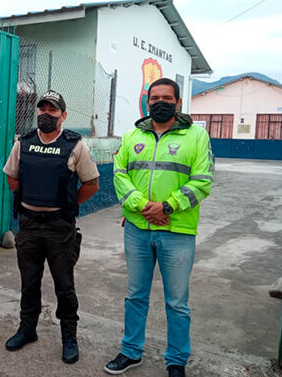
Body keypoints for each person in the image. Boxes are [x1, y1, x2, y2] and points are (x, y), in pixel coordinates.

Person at [105, 78, 213, 377]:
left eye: (167, 97)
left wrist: (167, 207)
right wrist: (143, 206)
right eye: (155, 98)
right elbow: (119, 174)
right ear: (147, 101)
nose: (160, 102)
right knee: (135, 295)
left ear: (178, 103)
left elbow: (202, 181)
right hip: (138, 229)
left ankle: (176, 360)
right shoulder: (131, 136)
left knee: (177, 301)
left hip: (177, 231)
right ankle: (131, 351)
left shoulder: (196, 137)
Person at [3, 90, 100, 364]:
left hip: (60, 227)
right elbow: (12, 178)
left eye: (52, 110)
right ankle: (27, 329)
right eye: (42, 109)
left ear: (63, 115)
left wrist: (66, 205)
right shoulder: (24, 143)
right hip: (30, 224)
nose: (46, 114)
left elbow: (91, 185)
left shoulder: (75, 145)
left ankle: (69, 336)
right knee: (28, 282)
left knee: (64, 286)